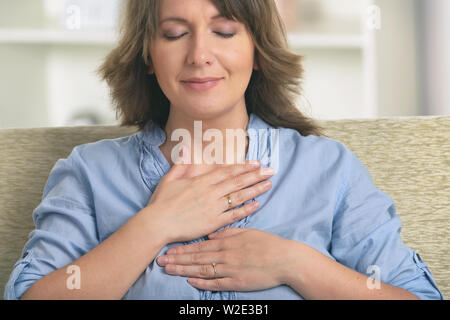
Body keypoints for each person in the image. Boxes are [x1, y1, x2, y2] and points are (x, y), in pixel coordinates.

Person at [4, 0, 443, 300]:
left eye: (225, 31)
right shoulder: (90, 173)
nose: (199, 54)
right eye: (175, 34)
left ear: (257, 52)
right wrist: (153, 226)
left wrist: (297, 264)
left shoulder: (328, 169)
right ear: (147, 55)